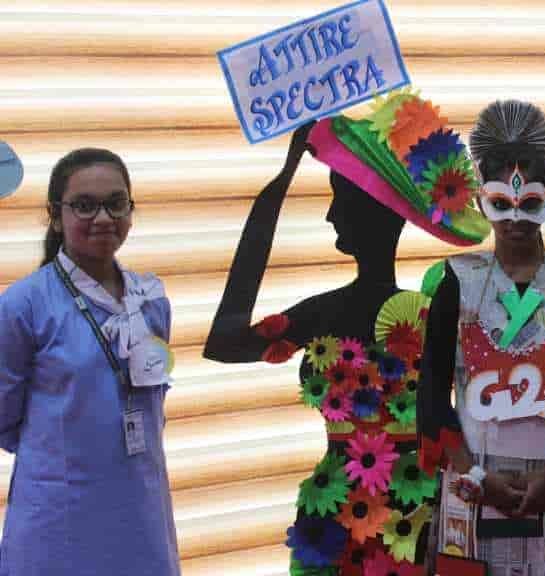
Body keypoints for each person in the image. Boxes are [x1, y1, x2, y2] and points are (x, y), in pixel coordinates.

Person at [204, 91, 490, 574]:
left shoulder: (429, 311)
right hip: (335, 518)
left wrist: (281, 187)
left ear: (372, 211)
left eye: (338, 198)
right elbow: (225, 344)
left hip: (415, 517)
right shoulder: (336, 313)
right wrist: (279, 184)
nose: (330, 215)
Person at [418, 100, 545, 575]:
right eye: (501, 204)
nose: (515, 219)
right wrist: (474, 473)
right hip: (473, 482)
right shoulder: (458, 281)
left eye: (529, 204)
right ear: (480, 202)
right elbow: (431, 393)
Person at [0, 148, 180, 575]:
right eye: (84, 205)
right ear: (55, 215)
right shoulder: (24, 305)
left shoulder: (150, 300)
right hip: (59, 511)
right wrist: (66, 450)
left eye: (116, 203)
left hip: (141, 502)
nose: (103, 218)